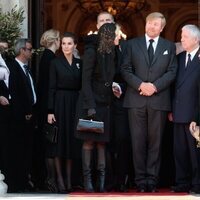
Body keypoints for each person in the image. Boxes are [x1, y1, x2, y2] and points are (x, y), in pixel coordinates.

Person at [121, 12, 177, 192]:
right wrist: (141, 85)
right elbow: (125, 69)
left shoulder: (169, 46)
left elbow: (172, 71)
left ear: (162, 28)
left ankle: (152, 181)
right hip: (135, 100)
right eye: (149, 23)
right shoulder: (131, 44)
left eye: (156, 24)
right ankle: (140, 182)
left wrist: (154, 86)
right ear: (145, 24)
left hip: (158, 100)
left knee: (156, 143)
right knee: (137, 143)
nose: (152, 27)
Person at [76, 22, 116, 193]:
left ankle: (101, 181)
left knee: (102, 143)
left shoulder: (110, 52)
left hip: (105, 104)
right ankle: (88, 181)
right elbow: (85, 81)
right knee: (89, 142)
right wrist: (91, 106)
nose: (116, 37)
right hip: (90, 105)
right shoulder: (91, 52)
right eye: (114, 35)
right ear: (107, 36)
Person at [47, 32, 82, 193]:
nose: (66, 46)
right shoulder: (55, 62)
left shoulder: (79, 63)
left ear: (75, 45)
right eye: (64, 44)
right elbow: (51, 88)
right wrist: (50, 111)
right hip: (60, 103)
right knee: (59, 143)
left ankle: (69, 181)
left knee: (71, 142)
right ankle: (59, 181)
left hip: (75, 104)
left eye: (69, 43)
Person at [1, 38, 36, 192]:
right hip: (16, 119)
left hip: (26, 118)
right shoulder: (12, 67)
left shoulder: (26, 68)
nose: (31, 52)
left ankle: (23, 181)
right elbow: (14, 93)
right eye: (29, 49)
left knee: (25, 151)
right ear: (22, 50)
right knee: (16, 151)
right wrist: (25, 113)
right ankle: (17, 183)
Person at [170, 24, 200, 194]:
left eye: (185, 36)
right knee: (179, 151)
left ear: (196, 39)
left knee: (195, 154)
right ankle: (182, 182)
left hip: (194, 115)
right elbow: (175, 87)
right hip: (179, 113)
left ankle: (197, 185)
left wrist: (197, 117)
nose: (181, 39)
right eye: (182, 35)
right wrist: (171, 110)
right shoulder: (180, 58)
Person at [37, 29, 60, 191]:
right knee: (51, 144)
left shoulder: (46, 57)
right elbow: (50, 86)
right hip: (47, 108)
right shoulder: (51, 58)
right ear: (56, 41)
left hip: (44, 106)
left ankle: (50, 179)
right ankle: (50, 180)